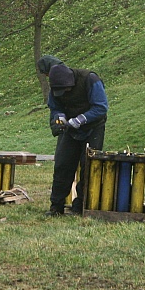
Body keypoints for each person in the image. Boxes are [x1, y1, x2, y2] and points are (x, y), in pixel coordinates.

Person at [45, 63, 108, 216]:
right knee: (62, 165)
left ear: (70, 82)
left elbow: (101, 107)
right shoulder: (55, 87)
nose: (63, 93)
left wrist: (81, 119)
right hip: (70, 130)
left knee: (88, 167)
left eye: (65, 89)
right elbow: (54, 107)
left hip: (93, 128)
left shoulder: (90, 79)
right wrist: (59, 116)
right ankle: (56, 206)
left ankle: (81, 205)